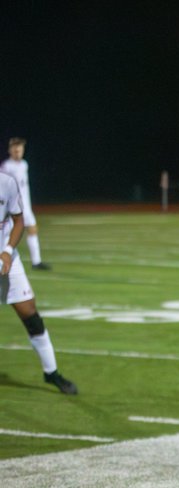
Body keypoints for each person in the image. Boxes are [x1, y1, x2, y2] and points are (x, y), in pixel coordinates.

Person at [0, 171, 77, 394]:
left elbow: (19, 221)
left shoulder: (7, 182)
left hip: (7, 261)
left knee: (31, 315)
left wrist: (6, 252)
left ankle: (51, 372)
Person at [1, 138, 50, 271]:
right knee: (8, 234)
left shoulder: (24, 164)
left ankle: (36, 262)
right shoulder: (6, 166)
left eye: (20, 149)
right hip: (13, 207)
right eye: (15, 149)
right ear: (10, 150)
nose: (18, 152)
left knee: (32, 229)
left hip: (25, 205)